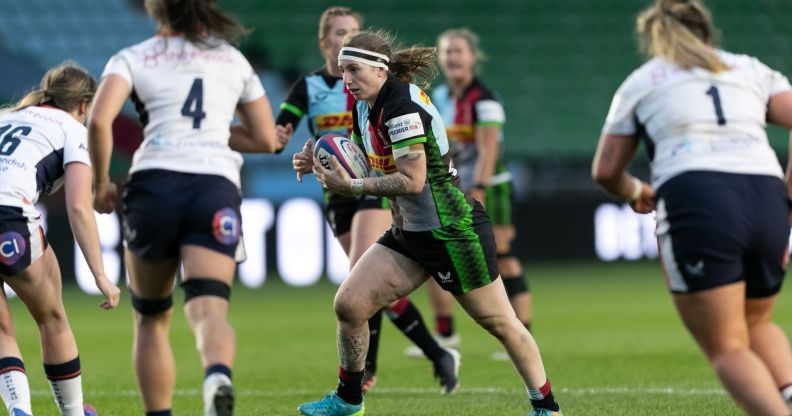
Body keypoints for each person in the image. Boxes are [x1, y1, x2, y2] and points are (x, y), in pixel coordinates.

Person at [295, 30, 562, 416]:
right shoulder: (363, 107)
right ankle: (349, 399)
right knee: (350, 305)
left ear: (380, 70)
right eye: (342, 70)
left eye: (353, 69)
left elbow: (412, 180)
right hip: (409, 232)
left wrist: (351, 185)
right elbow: (369, 164)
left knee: (501, 323)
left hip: (452, 231)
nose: (345, 78)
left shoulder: (400, 105)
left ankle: (547, 407)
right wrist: (321, 162)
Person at [592, 0, 792, 414]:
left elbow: (606, 170)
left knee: (727, 347)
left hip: (698, 194)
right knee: (757, 322)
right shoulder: (749, 68)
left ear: (656, 37)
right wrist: (788, 196)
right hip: (766, 193)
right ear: (706, 31)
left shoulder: (643, 81)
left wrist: (634, 190)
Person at [87, 0, 278, 415]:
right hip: (213, 187)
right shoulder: (231, 59)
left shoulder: (133, 57)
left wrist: (101, 184)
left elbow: (99, 120)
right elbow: (266, 138)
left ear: (155, 10)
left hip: (154, 185)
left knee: (151, 317)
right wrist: (211, 133)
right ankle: (217, 376)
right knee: (210, 307)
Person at [281, 7, 460, 393]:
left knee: (359, 278)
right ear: (324, 40)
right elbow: (279, 134)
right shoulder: (309, 87)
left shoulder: (373, 90)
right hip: (337, 191)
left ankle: (365, 373)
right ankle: (438, 354)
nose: (344, 38)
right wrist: (303, 155)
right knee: (372, 290)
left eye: (352, 32)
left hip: (373, 183)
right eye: (338, 32)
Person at [0, 62, 120, 415]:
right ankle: (72, 412)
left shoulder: (6, 117)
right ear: (84, 105)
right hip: (9, 217)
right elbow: (79, 207)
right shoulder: (74, 130)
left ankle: (19, 409)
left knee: (2, 328)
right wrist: (100, 275)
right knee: (52, 318)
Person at [406, 28, 534, 361]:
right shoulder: (439, 98)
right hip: (453, 186)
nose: (452, 57)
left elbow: (489, 149)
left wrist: (479, 187)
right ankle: (445, 334)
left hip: (492, 186)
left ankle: (523, 333)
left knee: (503, 256)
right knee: (433, 252)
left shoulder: (485, 100)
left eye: (458, 51)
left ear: (473, 58)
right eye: (447, 51)